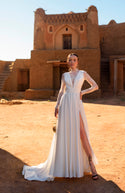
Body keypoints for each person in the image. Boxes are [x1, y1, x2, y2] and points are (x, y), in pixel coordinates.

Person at [22, 53, 99, 181]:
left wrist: (82, 92)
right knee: (65, 134)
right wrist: (57, 105)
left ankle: (92, 166)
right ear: (68, 62)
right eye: (70, 60)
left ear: (78, 62)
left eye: (74, 60)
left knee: (82, 134)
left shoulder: (83, 73)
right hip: (65, 104)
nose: (72, 62)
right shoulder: (65, 76)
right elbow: (61, 91)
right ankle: (66, 167)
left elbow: (95, 86)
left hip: (76, 104)